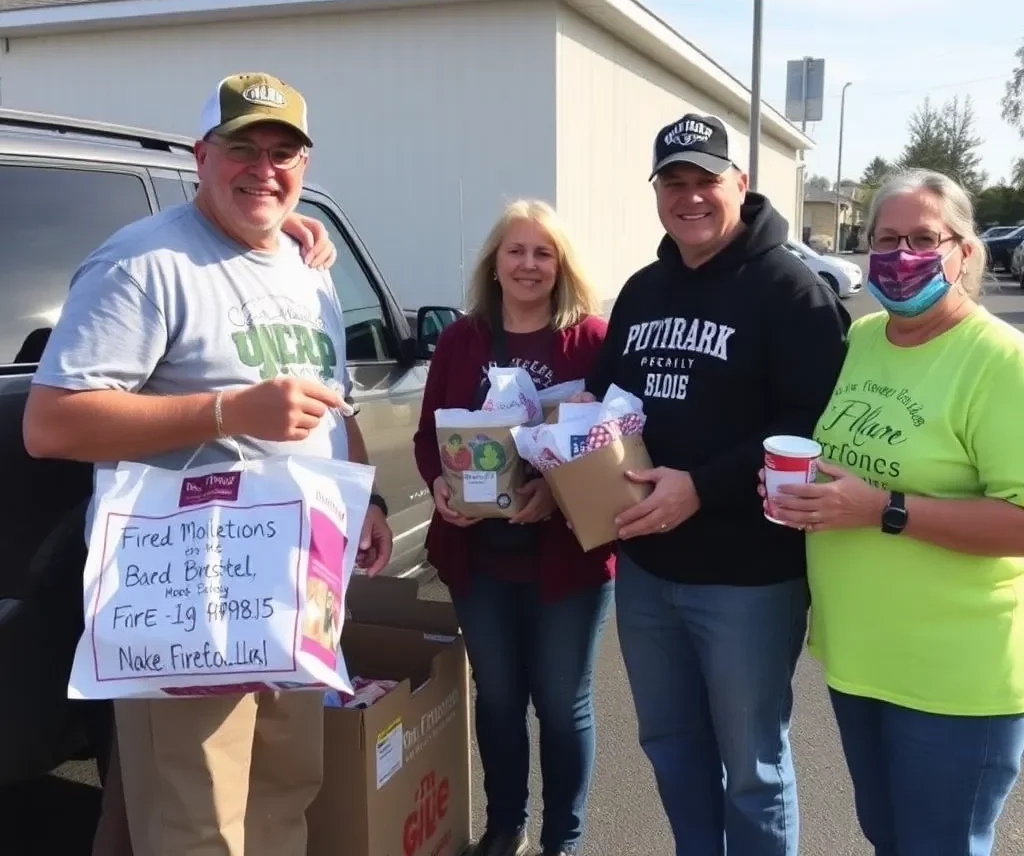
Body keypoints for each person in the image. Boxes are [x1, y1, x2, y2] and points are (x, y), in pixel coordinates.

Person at [23, 71, 393, 856]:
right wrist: (227, 411)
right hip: (191, 589)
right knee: (198, 821)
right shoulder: (143, 264)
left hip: (295, 586)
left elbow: (335, 400)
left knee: (284, 789)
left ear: (304, 164)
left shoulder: (306, 268)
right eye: (243, 149)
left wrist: (371, 503)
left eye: (282, 152)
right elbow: (49, 423)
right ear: (201, 156)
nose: (264, 169)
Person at [583, 114, 849, 856]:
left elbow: (814, 419)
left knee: (754, 769)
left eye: (707, 180)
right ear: (658, 192)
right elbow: (604, 407)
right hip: (646, 570)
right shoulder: (640, 292)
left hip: (747, 578)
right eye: (675, 182)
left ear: (741, 184)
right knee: (669, 744)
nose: (690, 196)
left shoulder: (792, 292)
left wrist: (702, 485)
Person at [767, 169, 1024, 856]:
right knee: (888, 839)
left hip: (953, 677)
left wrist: (886, 510)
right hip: (860, 659)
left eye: (923, 238)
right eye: (886, 238)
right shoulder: (866, 338)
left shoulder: (1000, 361)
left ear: (964, 251)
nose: (901, 253)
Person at [413, 199, 615, 856]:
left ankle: (564, 839)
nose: (529, 264)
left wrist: (555, 498)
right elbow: (427, 436)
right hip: (481, 559)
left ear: (561, 266)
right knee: (497, 698)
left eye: (543, 252)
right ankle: (506, 826)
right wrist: (441, 484)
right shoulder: (461, 340)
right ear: (493, 264)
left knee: (561, 705)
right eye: (516, 251)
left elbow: (613, 447)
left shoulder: (591, 340)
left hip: (568, 561)